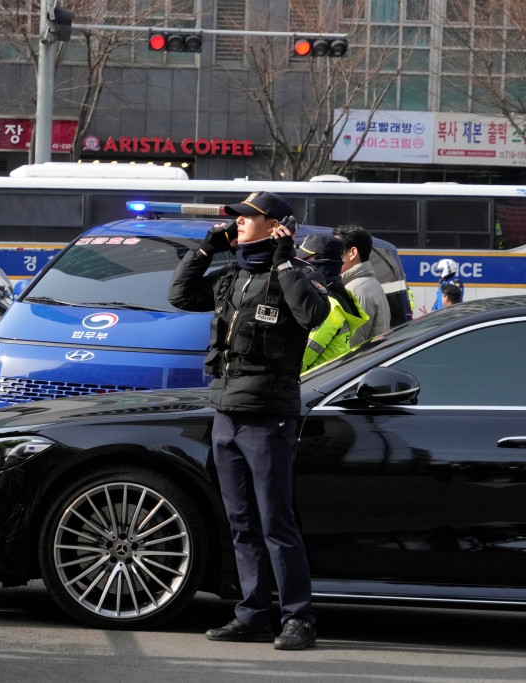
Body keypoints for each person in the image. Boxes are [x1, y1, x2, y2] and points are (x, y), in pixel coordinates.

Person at [167, 191, 328, 651]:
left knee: (275, 521)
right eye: (234, 219)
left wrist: (284, 261)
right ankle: (253, 613)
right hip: (226, 414)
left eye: (247, 218)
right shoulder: (234, 274)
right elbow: (179, 295)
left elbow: (312, 314)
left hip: (268, 417)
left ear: (278, 224)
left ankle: (298, 618)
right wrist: (205, 248)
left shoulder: (295, 271)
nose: (236, 224)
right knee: (240, 521)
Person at [297, 234, 368, 371]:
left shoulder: (329, 304)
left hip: (311, 384)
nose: (300, 264)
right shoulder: (334, 294)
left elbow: (300, 358)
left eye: (305, 259)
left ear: (322, 262)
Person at [333, 224, 391, 346]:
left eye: (335, 251)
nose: (330, 257)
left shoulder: (355, 291)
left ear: (352, 253)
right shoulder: (368, 284)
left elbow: (349, 347)